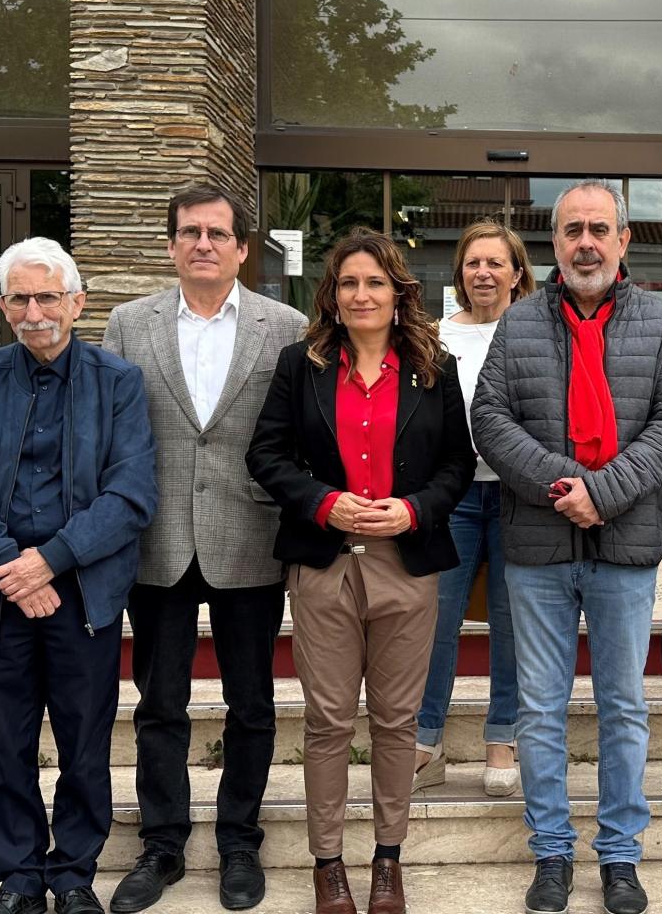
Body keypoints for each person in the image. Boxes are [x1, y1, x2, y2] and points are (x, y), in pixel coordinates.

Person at [471, 179, 662, 914]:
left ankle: (622, 857)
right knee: (539, 709)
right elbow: (491, 419)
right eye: (573, 230)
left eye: (601, 228)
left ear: (624, 241)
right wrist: (567, 485)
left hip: (625, 545)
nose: (587, 243)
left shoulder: (661, 322)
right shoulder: (521, 323)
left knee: (624, 707)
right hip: (537, 545)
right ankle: (551, 853)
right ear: (555, 243)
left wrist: (606, 493)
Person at [247, 228, 475, 914]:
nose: (361, 294)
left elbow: (457, 466)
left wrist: (412, 512)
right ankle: (328, 863)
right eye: (348, 283)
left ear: (398, 292)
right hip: (324, 566)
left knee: (397, 721)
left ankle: (387, 859)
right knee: (326, 720)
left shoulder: (435, 368)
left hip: (406, 565)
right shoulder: (301, 365)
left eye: (375, 281)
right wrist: (322, 502)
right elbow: (266, 454)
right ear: (332, 296)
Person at [0, 237, 157, 914]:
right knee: (8, 736)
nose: (35, 312)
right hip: (1, 591)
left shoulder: (119, 383)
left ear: (77, 303)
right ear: (4, 306)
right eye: (21, 298)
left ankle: (73, 874)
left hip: (82, 587)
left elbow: (130, 495)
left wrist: (49, 561)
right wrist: (11, 566)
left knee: (85, 736)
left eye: (48, 297)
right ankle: (19, 876)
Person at [102, 184, 308, 913]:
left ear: (243, 248)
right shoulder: (128, 325)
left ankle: (239, 843)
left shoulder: (285, 326)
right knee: (160, 703)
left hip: (249, 536)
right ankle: (161, 846)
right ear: (170, 245)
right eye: (189, 232)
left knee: (250, 703)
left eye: (218, 234)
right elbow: (112, 434)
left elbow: (297, 437)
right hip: (156, 538)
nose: (203, 244)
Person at [413, 219, 537, 798]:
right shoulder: (435, 337)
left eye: (495, 263)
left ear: (517, 273)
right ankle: (425, 740)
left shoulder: (538, 330)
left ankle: (502, 736)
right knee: (435, 618)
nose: (483, 272)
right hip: (453, 496)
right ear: (460, 273)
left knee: (513, 621)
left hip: (520, 496)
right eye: (473, 263)